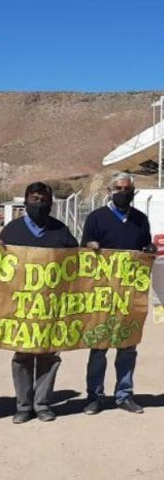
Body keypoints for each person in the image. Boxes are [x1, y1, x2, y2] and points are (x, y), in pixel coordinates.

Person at [0, 182, 78, 424]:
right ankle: (22, 406)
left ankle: (42, 404)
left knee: (48, 355)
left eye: (43, 200)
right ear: (26, 201)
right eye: (34, 199)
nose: (38, 204)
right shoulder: (12, 230)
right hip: (21, 307)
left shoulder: (60, 230)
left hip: (51, 306)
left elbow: (77, 262)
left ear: (50, 203)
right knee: (22, 355)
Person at [81, 172, 153, 416]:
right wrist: (90, 246)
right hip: (101, 293)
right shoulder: (96, 218)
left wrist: (149, 249)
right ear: (110, 191)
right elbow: (83, 251)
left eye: (128, 189)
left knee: (127, 347)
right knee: (99, 346)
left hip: (130, 294)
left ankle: (124, 395)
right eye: (119, 188)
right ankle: (94, 396)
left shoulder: (141, 220)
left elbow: (144, 247)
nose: (124, 193)